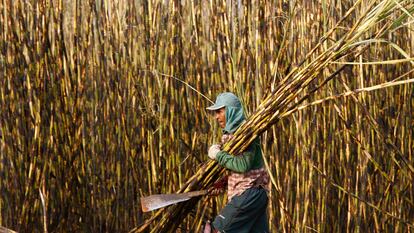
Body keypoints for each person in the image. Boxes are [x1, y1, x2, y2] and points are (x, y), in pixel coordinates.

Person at [204, 92, 270, 233]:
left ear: (231, 111)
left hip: (250, 193)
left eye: (219, 112)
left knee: (215, 230)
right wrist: (223, 182)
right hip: (255, 194)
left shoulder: (246, 134)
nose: (216, 117)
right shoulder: (234, 136)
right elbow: (247, 170)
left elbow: (242, 165)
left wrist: (218, 155)